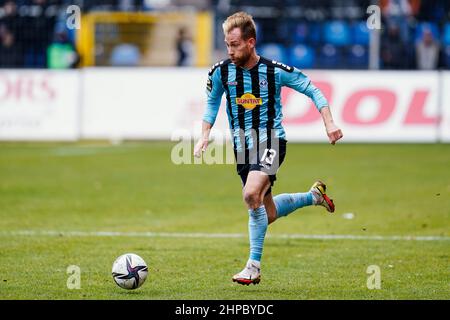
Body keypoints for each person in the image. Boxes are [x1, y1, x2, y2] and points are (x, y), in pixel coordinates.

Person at [194, 12, 343, 285]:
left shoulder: (274, 70)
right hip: (243, 149)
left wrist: (329, 122)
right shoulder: (220, 72)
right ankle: (313, 196)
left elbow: (312, 89)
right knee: (267, 212)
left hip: (271, 141)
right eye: (227, 44)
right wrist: (204, 135)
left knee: (251, 194)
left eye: (235, 44)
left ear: (251, 42)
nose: (230, 50)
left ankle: (253, 266)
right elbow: (212, 104)